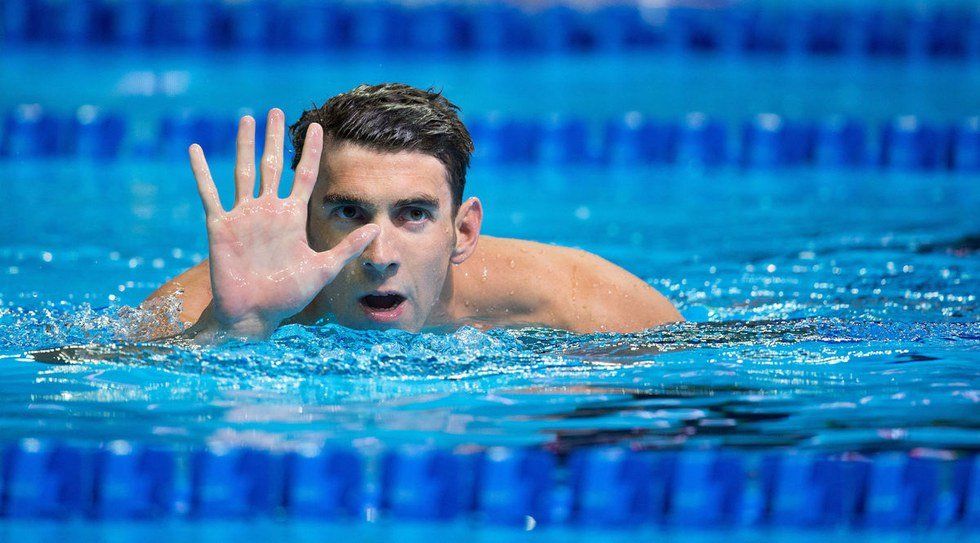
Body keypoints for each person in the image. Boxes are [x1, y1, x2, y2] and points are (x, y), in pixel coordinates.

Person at [145, 83, 682, 343]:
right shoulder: (220, 299)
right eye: (349, 212)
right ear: (304, 223)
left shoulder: (569, 298)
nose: (380, 258)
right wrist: (230, 329)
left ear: (463, 230)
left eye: (414, 214)